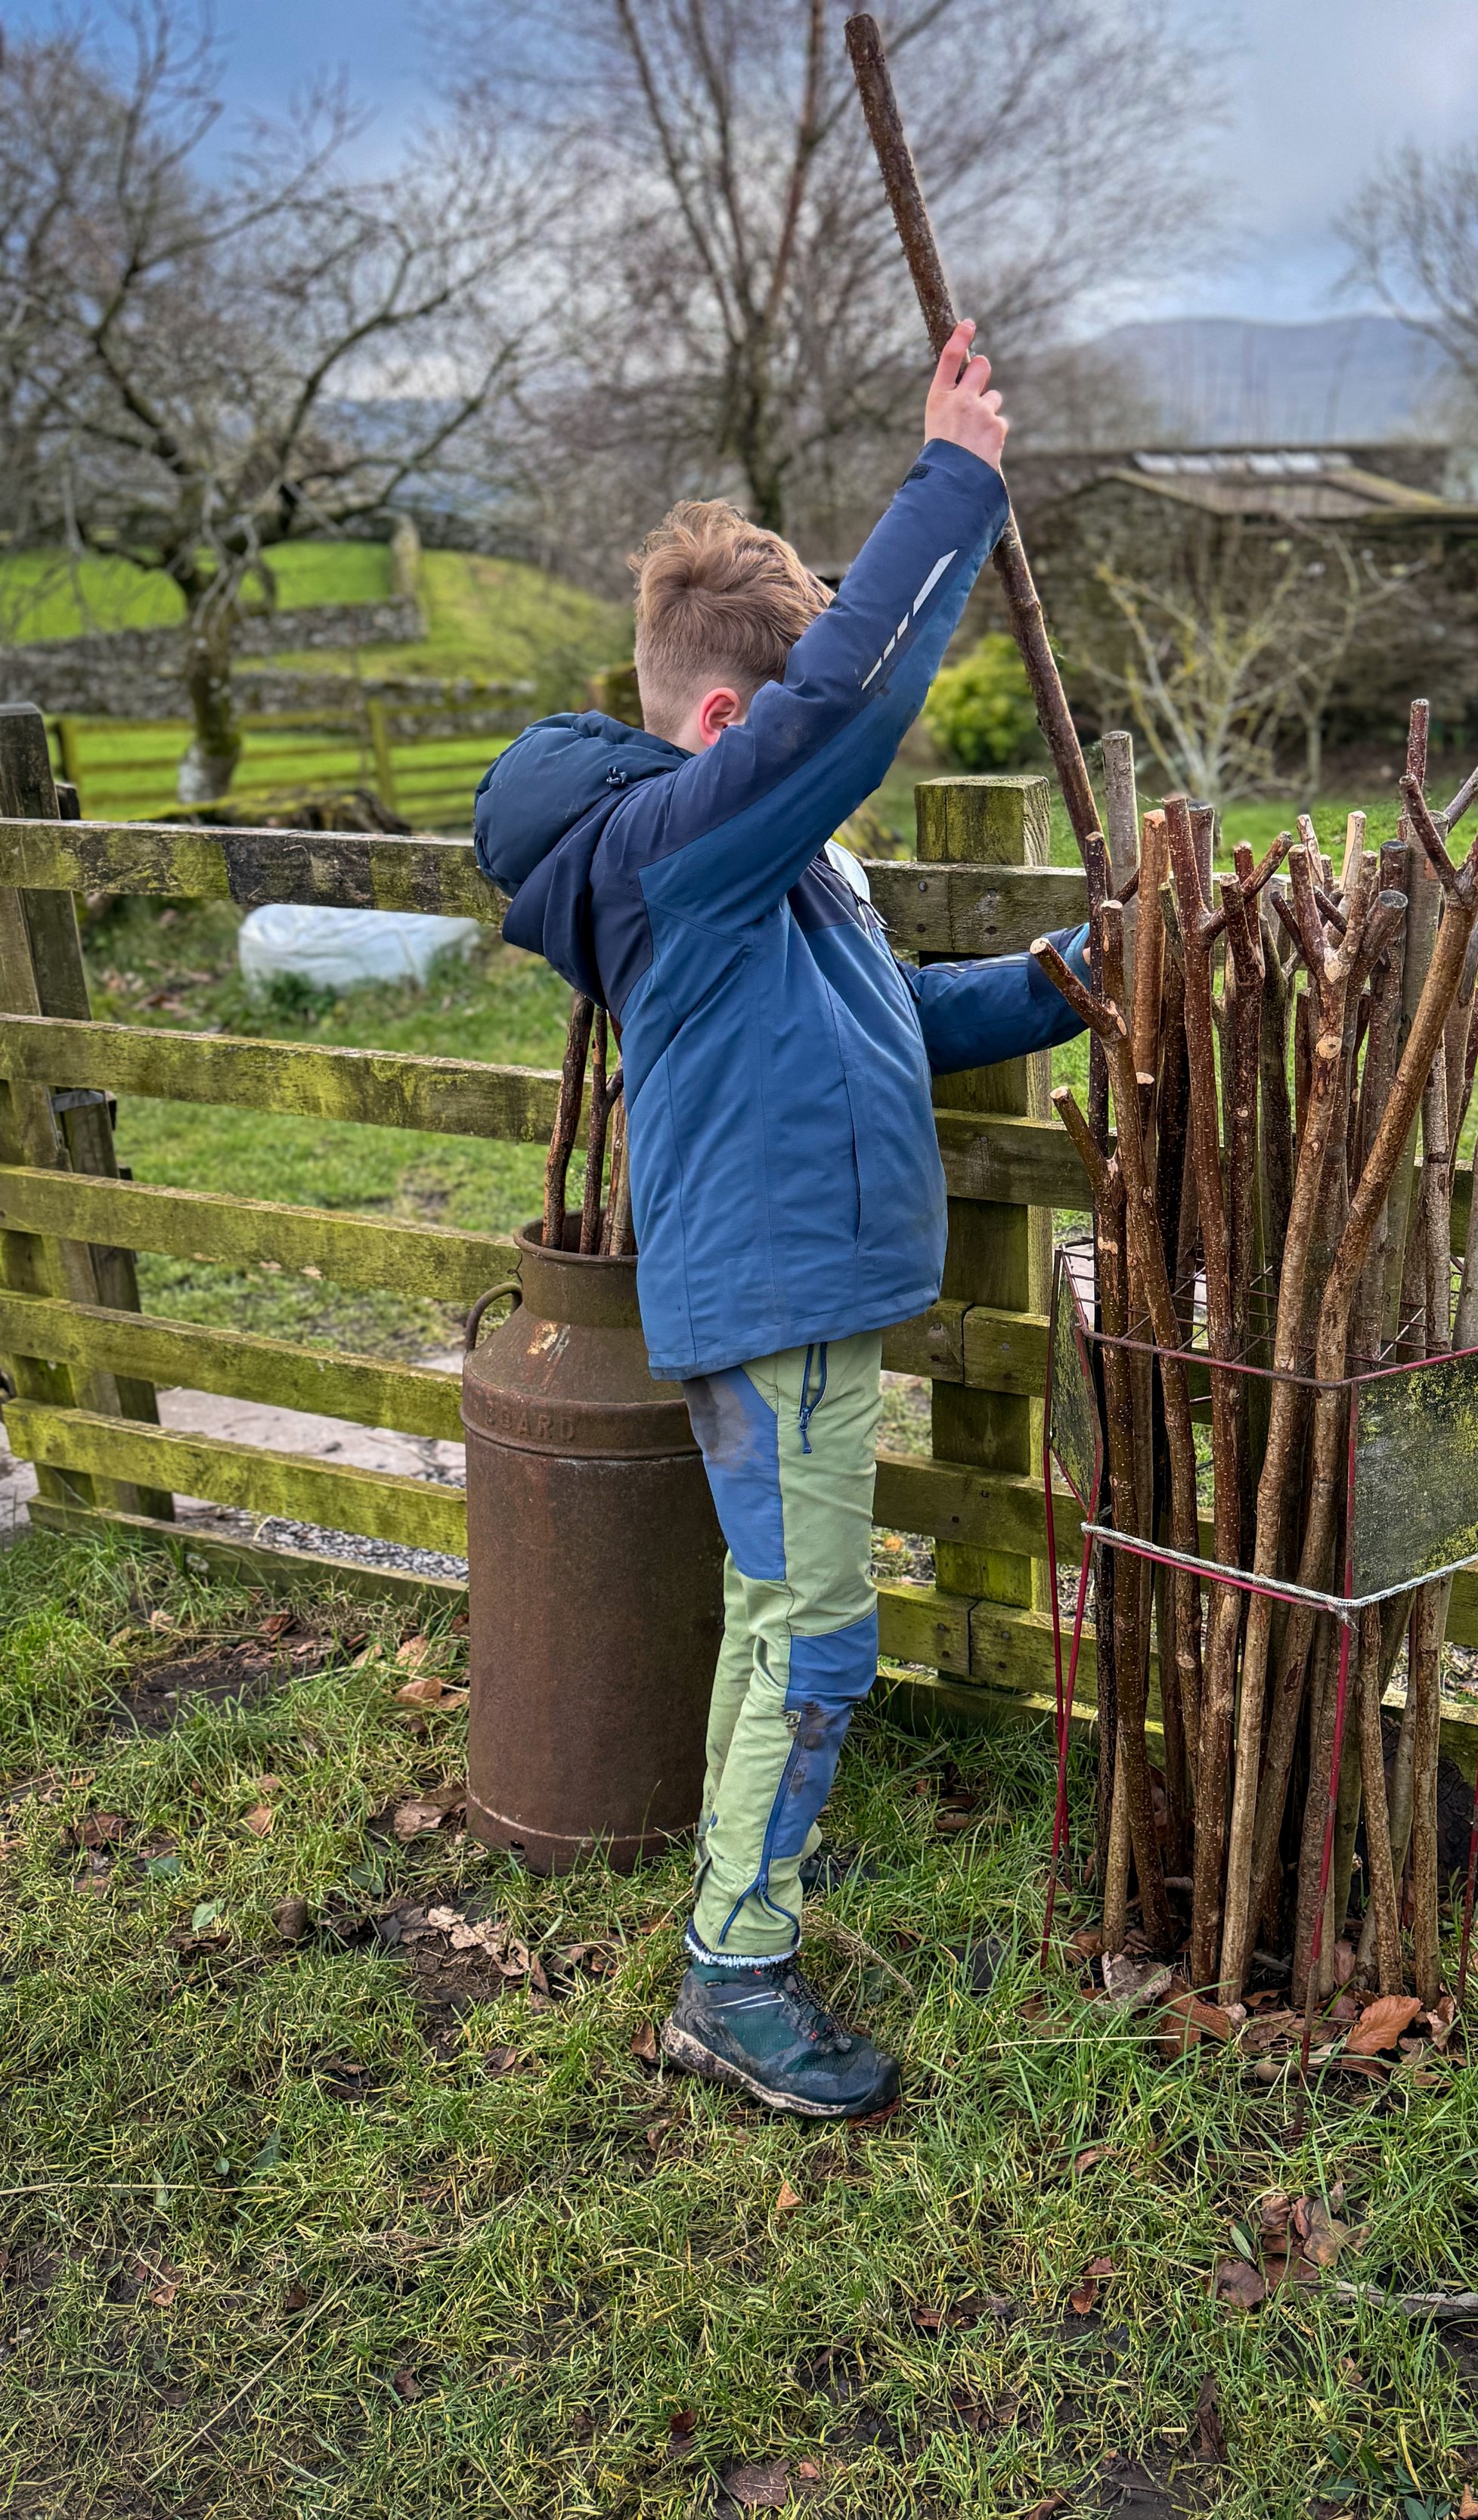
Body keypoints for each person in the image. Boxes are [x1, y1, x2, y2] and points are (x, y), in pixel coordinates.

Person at [471, 321, 1089, 2119]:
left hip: (804, 1292)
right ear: (727, 726)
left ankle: (743, 1923)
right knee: (817, 1633)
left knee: (781, 1617)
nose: (844, 789)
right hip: (779, 1297)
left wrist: (1067, 974)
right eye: (800, 751)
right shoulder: (689, 840)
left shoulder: (770, 876)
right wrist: (954, 482)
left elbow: (898, 1010)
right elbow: (849, 709)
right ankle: (732, 1975)